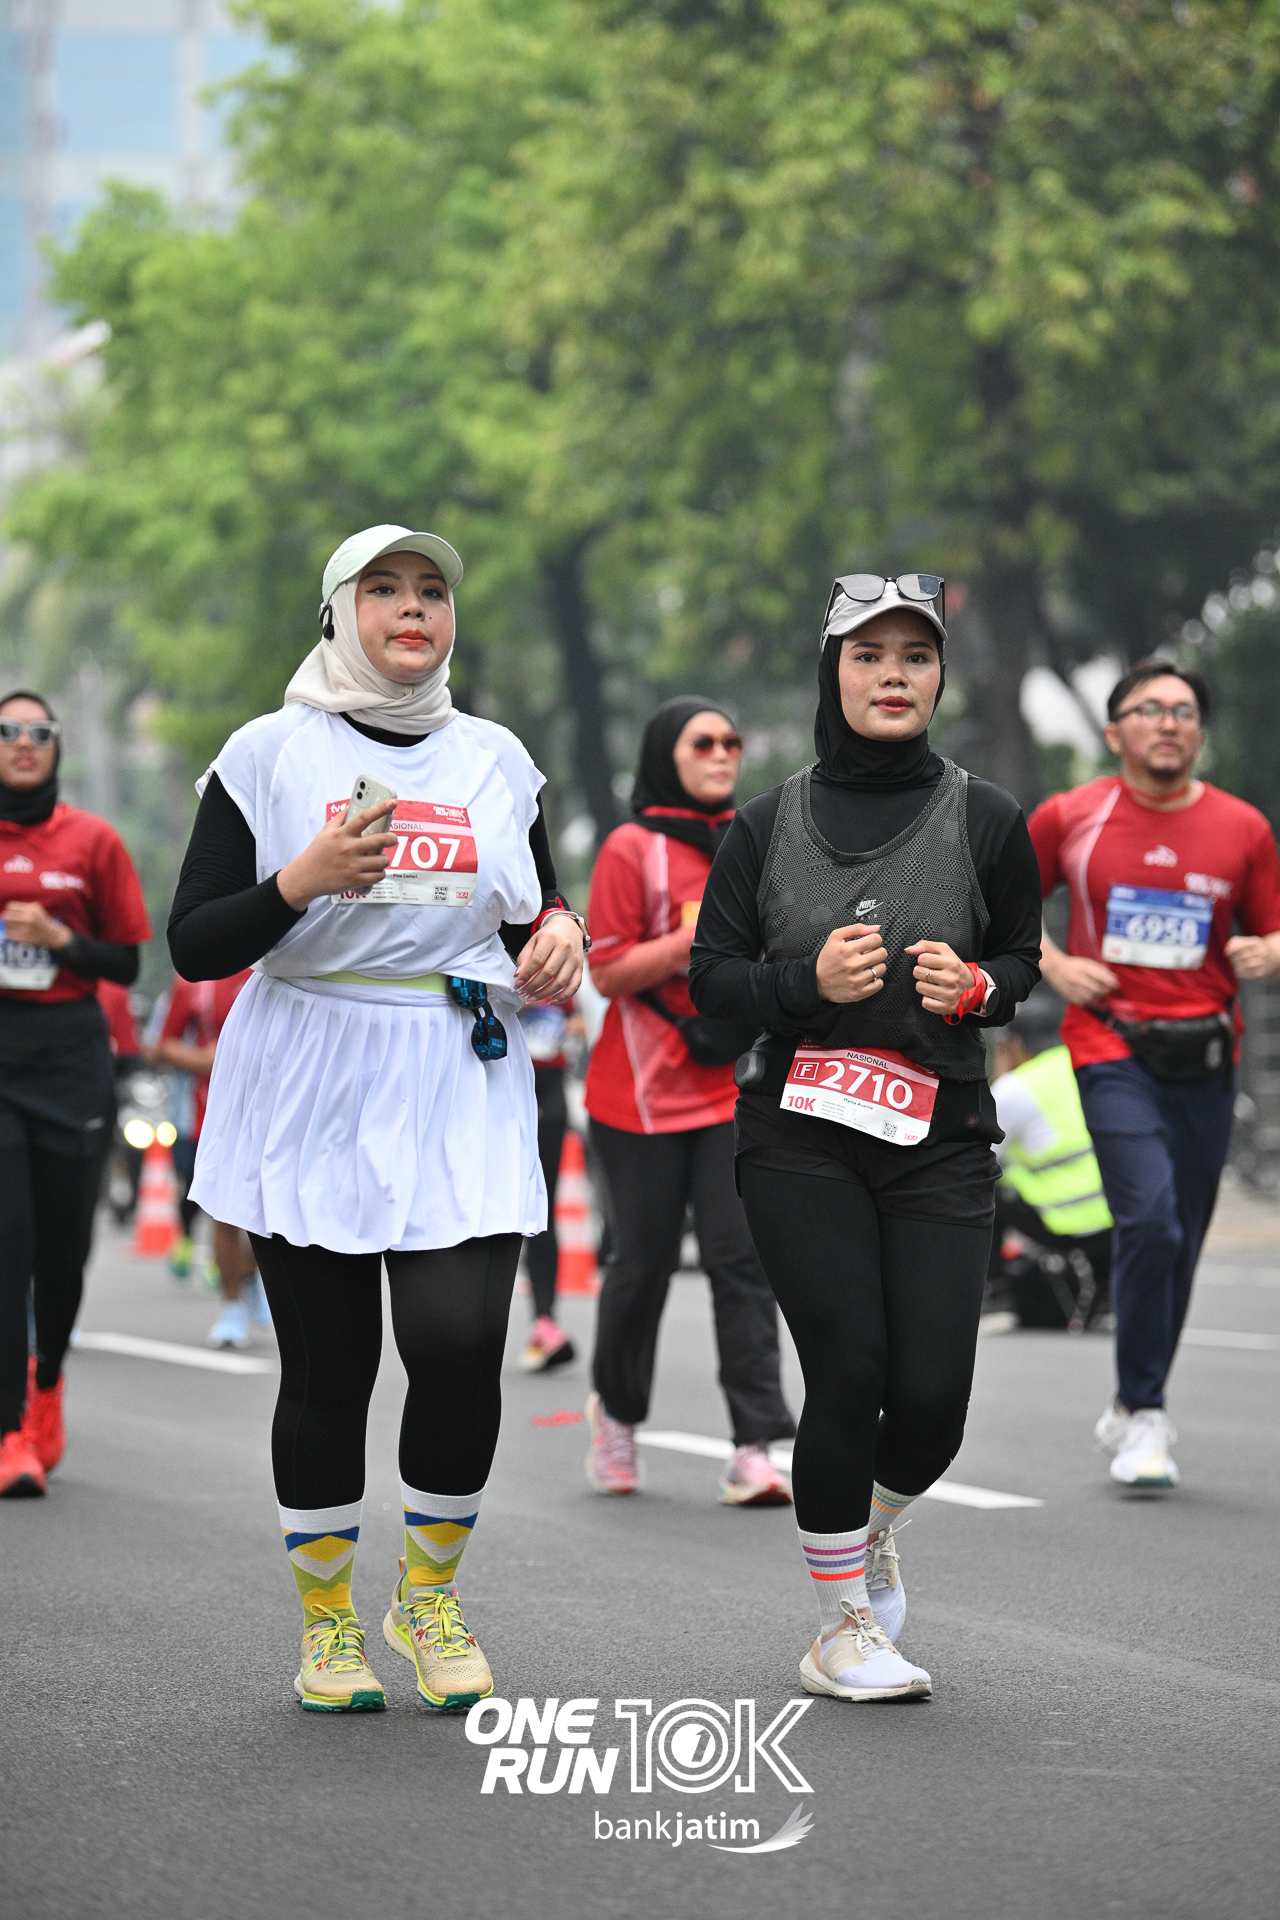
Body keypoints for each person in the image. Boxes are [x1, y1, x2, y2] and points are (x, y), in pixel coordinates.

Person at [167, 524, 585, 1713]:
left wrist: (560, 936)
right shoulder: (267, 753)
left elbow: (533, 909)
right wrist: (297, 882)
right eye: (384, 590)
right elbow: (194, 943)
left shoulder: (496, 759)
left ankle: (427, 1597)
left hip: (456, 1061)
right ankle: (327, 1627)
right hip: (312, 1061)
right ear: (337, 614)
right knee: (331, 1366)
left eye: (431, 591)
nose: (412, 609)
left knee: (458, 1347)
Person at [690, 572, 1041, 1700]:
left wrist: (979, 986)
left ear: (939, 678)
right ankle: (840, 1625)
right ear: (830, 672)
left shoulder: (987, 819)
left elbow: (1022, 959)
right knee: (848, 1368)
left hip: (940, 1132)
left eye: (914, 657)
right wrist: (804, 982)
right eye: (868, 655)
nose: (892, 676)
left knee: (931, 1404)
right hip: (798, 1134)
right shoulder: (763, 825)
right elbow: (711, 984)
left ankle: (870, 1523)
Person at [1029, 658, 1280, 1489]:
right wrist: (1056, 965)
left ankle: (1133, 1402)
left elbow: (1274, 927)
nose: (1168, 722)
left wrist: (1267, 951)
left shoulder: (1243, 827)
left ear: (1200, 733)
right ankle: (1147, 1413)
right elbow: (1000, 905)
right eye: (1149, 709)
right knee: (1152, 1221)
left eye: (1184, 711)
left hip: (1207, 1054)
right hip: (1112, 1046)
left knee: (1183, 1242)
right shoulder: (1071, 815)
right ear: (1114, 732)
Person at [581, 697, 796, 1507]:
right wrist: (699, 944)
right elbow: (607, 971)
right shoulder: (629, 847)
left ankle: (753, 1446)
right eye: (702, 742)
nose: (722, 753)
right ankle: (617, 1415)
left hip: (730, 1088)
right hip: (636, 1096)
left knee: (743, 1262)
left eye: (732, 741)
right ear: (665, 754)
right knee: (643, 1265)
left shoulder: (755, 841)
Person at [0, 691, 151, 1498]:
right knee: (8, 1241)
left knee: (63, 1250)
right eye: (7, 731)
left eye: (39, 731)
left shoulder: (91, 840)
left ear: (57, 746)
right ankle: (8, 1433)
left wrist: (60, 938)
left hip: (69, 1054)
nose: (23, 742)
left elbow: (126, 962)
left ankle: (47, 1383)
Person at [154, 969, 272, 1347]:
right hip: (214, 1114)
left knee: (272, 1215)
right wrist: (203, 1059)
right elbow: (163, 1044)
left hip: (278, 1110)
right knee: (224, 1215)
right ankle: (232, 1307)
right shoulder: (198, 978)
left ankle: (252, 1275)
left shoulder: (284, 963)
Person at [988, 1005, 1113, 1329]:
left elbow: (983, 1151)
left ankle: (995, 1292)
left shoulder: (1015, 1087)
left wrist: (1002, 1071)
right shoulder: (1087, 1065)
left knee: (984, 1187)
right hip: (1113, 1212)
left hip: (1062, 1218)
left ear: (1015, 1044)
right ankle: (1107, 1298)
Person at [517, 995, 583, 1372]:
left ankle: (545, 1322)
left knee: (542, 1211)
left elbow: (576, 1023)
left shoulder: (560, 970)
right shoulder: (495, 965)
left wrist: (574, 1027)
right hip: (502, 1087)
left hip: (549, 1095)